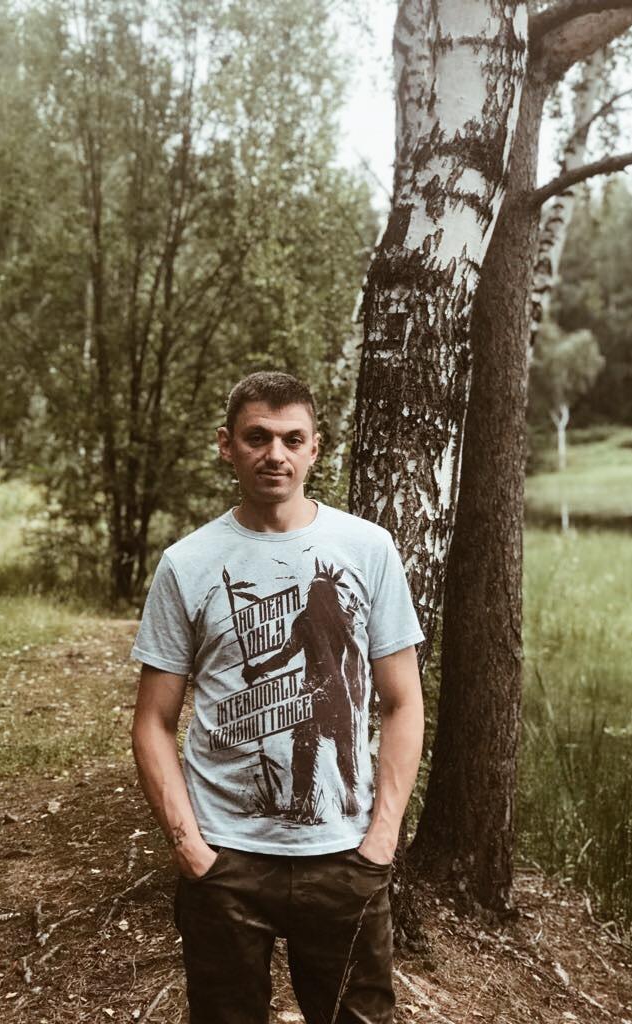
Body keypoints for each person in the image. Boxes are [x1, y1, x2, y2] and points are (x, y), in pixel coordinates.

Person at [130, 371, 425, 1024]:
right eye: (257, 437)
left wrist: (380, 840)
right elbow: (152, 721)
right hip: (226, 862)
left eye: (293, 439)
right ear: (226, 445)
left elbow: (403, 703)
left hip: (345, 858)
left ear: (315, 449)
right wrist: (189, 848)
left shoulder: (367, 550)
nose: (275, 454)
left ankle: (332, 812)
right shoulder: (187, 563)